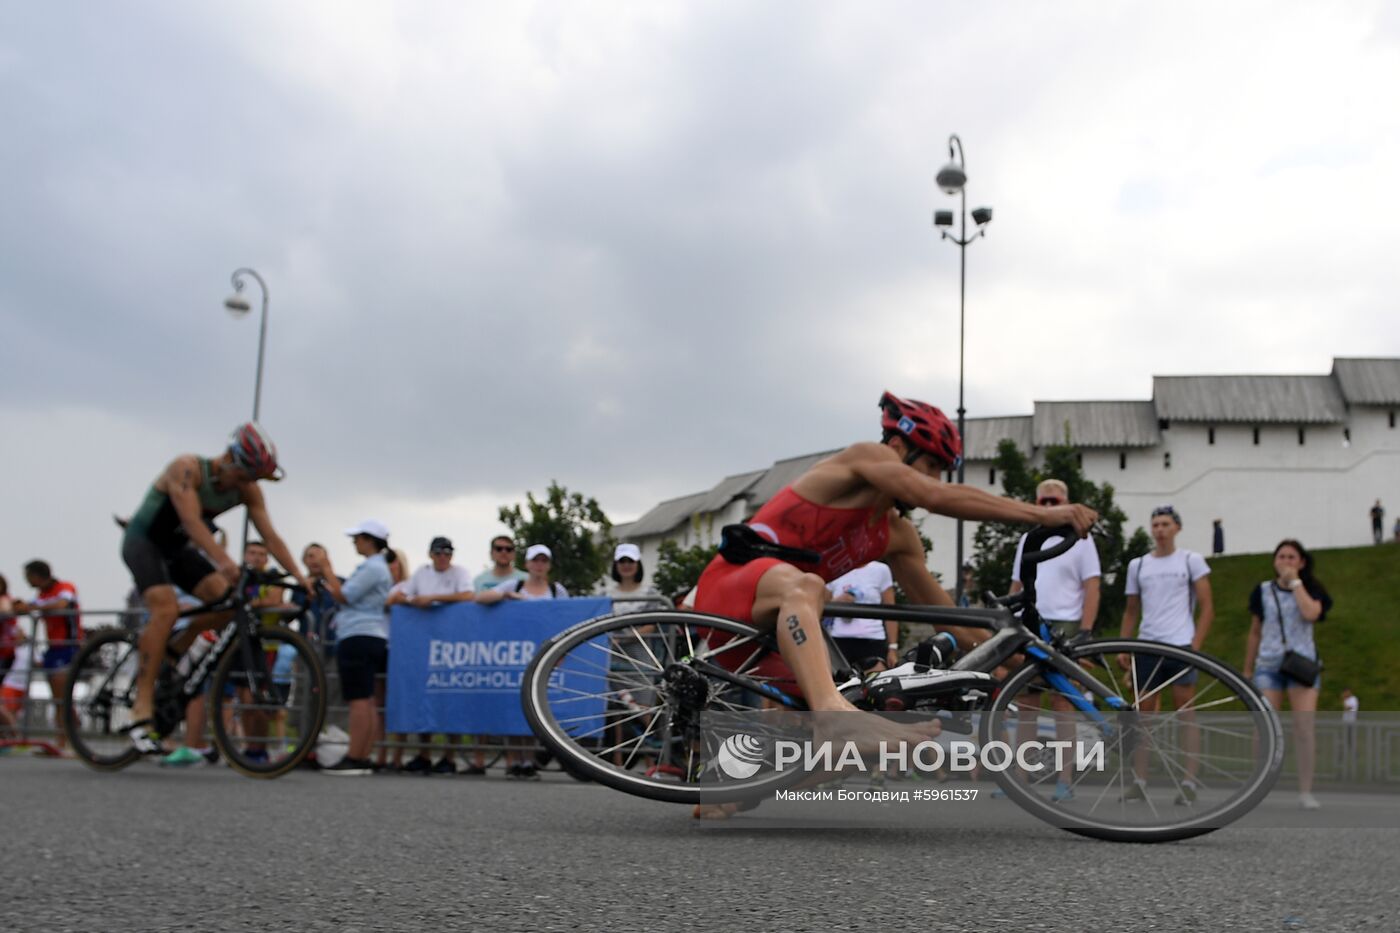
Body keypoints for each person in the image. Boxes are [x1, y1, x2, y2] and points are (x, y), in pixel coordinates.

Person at [687, 392, 1095, 768]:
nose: (935, 478)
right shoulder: (863, 457)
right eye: (931, 465)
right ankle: (833, 716)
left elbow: (950, 620)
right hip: (728, 593)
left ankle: (733, 790)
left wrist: (1024, 661)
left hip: (774, 636)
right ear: (898, 447)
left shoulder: (896, 534)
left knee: (869, 717)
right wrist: (1044, 515)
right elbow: (933, 497)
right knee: (810, 586)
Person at [118, 422, 310, 754]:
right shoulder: (188, 468)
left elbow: (270, 536)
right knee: (166, 608)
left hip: (178, 550)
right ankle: (141, 707)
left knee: (225, 602)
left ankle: (172, 652)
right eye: (246, 475)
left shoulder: (248, 489)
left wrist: (299, 575)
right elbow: (192, 523)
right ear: (230, 459)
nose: (248, 484)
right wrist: (225, 561)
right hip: (144, 542)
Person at [1007, 479, 1101, 803]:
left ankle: (1065, 778)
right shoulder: (1026, 540)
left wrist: (1086, 629)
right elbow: (1017, 583)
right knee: (1027, 703)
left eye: (1054, 501)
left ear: (1066, 501)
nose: (1048, 507)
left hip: (1065, 622)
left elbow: (1092, 585)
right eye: (1043, 502)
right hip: (1031, 621)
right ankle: (1020, 777)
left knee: (1063, 703)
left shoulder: (1082, 540)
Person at [1119, 505, 1213, 805]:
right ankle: (1140, 781)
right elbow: (1131, 609)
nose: (1160, 529)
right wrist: (1124, 644)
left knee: (1186, 712)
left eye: (1166, 524)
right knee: (1144, 716)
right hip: (1148, 644)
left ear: (1177, 528)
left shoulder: (1190, 560)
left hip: (1180, 643)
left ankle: (1188, 782)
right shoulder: (1139, 565)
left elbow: (1208, 606)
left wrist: (1195, 645)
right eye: (1156, 524)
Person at [1243, 539, 1332, 810]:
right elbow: (1255, 630)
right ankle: (1258, 787)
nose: (1286, 562)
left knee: (1304, 728)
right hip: (1268, 664)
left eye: (1292, 557)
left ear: (1302, 562)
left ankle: (1305, 790)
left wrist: (1296, 584)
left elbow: (1311, 613)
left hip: (1301, 665)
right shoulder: (1262, 591)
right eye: (1281, 557)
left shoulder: (1312, 589)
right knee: (1265, 725)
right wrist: (1247, 667)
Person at [477, 543, 569, 778]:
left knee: (534, 703)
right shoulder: (515, 584)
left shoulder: (557, 590)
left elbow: (568, 618)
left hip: (544, 652)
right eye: (535, 560)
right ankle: (514, 758)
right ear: (527, 564)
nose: (539, 565)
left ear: (548, 565)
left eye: (543, 561)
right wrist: (504, 594)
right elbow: (481, 597)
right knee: (515, 704)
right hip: (516, 652)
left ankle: (529, 759)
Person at [386, 536, 475, 774]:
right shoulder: (421, 574)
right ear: (431, 554)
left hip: (451, 647)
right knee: (424, 698)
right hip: (424, 646)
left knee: (450, 699)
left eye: (448, 553)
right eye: (439, 553)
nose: (443, 557)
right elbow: (399, 596)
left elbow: (468, 596)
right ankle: (423, 754)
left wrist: (435, 598)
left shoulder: (460, 573)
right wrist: (414, 601)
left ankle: (449, 756)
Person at [316, 521, 397, 775]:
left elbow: (344, 596)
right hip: (371, 635)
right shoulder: (378, 567)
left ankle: (355, 756)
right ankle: (362, 755)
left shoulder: (373, 567)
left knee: (358, 700)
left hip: (358, 635)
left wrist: (327, 568)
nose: (354, 542)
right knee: (368, 699)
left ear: (369, 540)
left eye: (358, 538)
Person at [11, 560, 82, 751]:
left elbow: (63, 603)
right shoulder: (41, 594)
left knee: (62, 696)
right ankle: (72, 735)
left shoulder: (64, 587)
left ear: (36, 575)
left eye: (27, 577)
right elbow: (28, 606)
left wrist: (35, 607)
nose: (26, 581)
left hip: (68, 646)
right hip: (52, 648)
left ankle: (64, 741)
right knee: (58, 696)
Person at [823, 562, 898, 674]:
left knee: (875, 685)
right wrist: (837, 602)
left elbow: (891, 611)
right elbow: (820, 606)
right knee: (840, 686)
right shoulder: (834, 568)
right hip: (840, 640)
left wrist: (893, 648)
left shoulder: (881, 569)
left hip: (872, 639)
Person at [1340, 688, 1359, 776]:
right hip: (1346, 723)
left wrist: (1344, 701)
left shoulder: (1353, 699)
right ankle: (1342, 756)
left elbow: (1350, 708)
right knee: (1344, 741)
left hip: (1351, 723)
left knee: (1351, 741)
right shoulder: (1346, 700)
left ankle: (1355, 756)